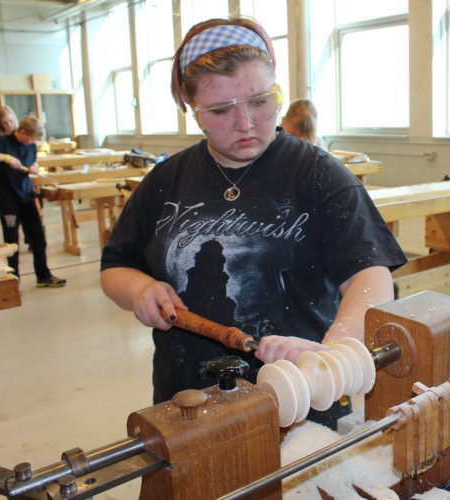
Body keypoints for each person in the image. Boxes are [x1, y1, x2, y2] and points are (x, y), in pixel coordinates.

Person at [100, 17, 406, 428]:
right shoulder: (165, 181)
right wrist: (138, 288)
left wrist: (334, 353)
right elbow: (115, 266)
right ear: (192, 110)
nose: (245, 123)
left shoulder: (318, 175)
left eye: (260, 101)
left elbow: (371, 275)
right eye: (221, 110)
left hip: (300, 396)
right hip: (187, 397)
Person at [0, 116, 66, 287]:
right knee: (11, 242)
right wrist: (7, 158)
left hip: (27, 195)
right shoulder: (4, 142)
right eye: (30, 138)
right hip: (9, 197)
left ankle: (43, 276)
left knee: (38, 238)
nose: (32, 142)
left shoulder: (30, 145)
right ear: (22, 131)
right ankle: (13, 279)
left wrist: (34, 168)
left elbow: (34, 162)